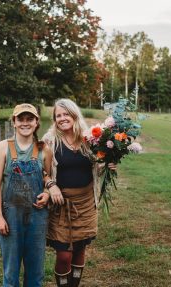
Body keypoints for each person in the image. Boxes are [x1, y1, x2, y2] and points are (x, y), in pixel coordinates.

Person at [42, 99, 116, 287]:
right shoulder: (50, 141)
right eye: (58, 115)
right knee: (64, 255)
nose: (62, 118)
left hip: (85, 203)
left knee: (80, 249)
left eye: (66, 114)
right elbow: (40, 170)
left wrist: (108, 166)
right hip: (61, 205)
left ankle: (74, 284)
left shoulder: (89, 139)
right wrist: (51, 184)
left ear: (74, 115)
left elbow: (95, 167)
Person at [0, 103, 54, 287]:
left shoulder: (44, 150)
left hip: (37, 216)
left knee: (36, 272)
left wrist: (48, 193)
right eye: (21, 119)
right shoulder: (3, 148)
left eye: (30, 119)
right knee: (10, 271)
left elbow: (47, 178)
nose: (25, 123)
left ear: (36, 123)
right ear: (14, 122)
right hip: (11, 217)